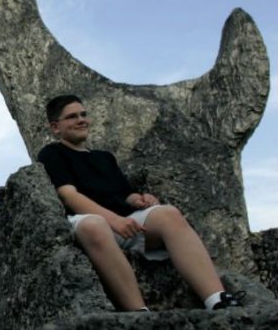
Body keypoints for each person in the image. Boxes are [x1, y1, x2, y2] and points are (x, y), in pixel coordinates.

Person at [37, 94, 244, 311]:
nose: (81, 120)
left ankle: (217, 299)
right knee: (94, 225)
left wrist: (141, 200)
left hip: (123, 224)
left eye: (83, 114)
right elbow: (69, 195)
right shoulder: (52, 154)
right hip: (88, 225)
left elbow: (125, 193)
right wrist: (114, 220)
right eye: (72, 117)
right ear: (55, 127)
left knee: (168, 213)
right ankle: (139, 313)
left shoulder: (104, 157)